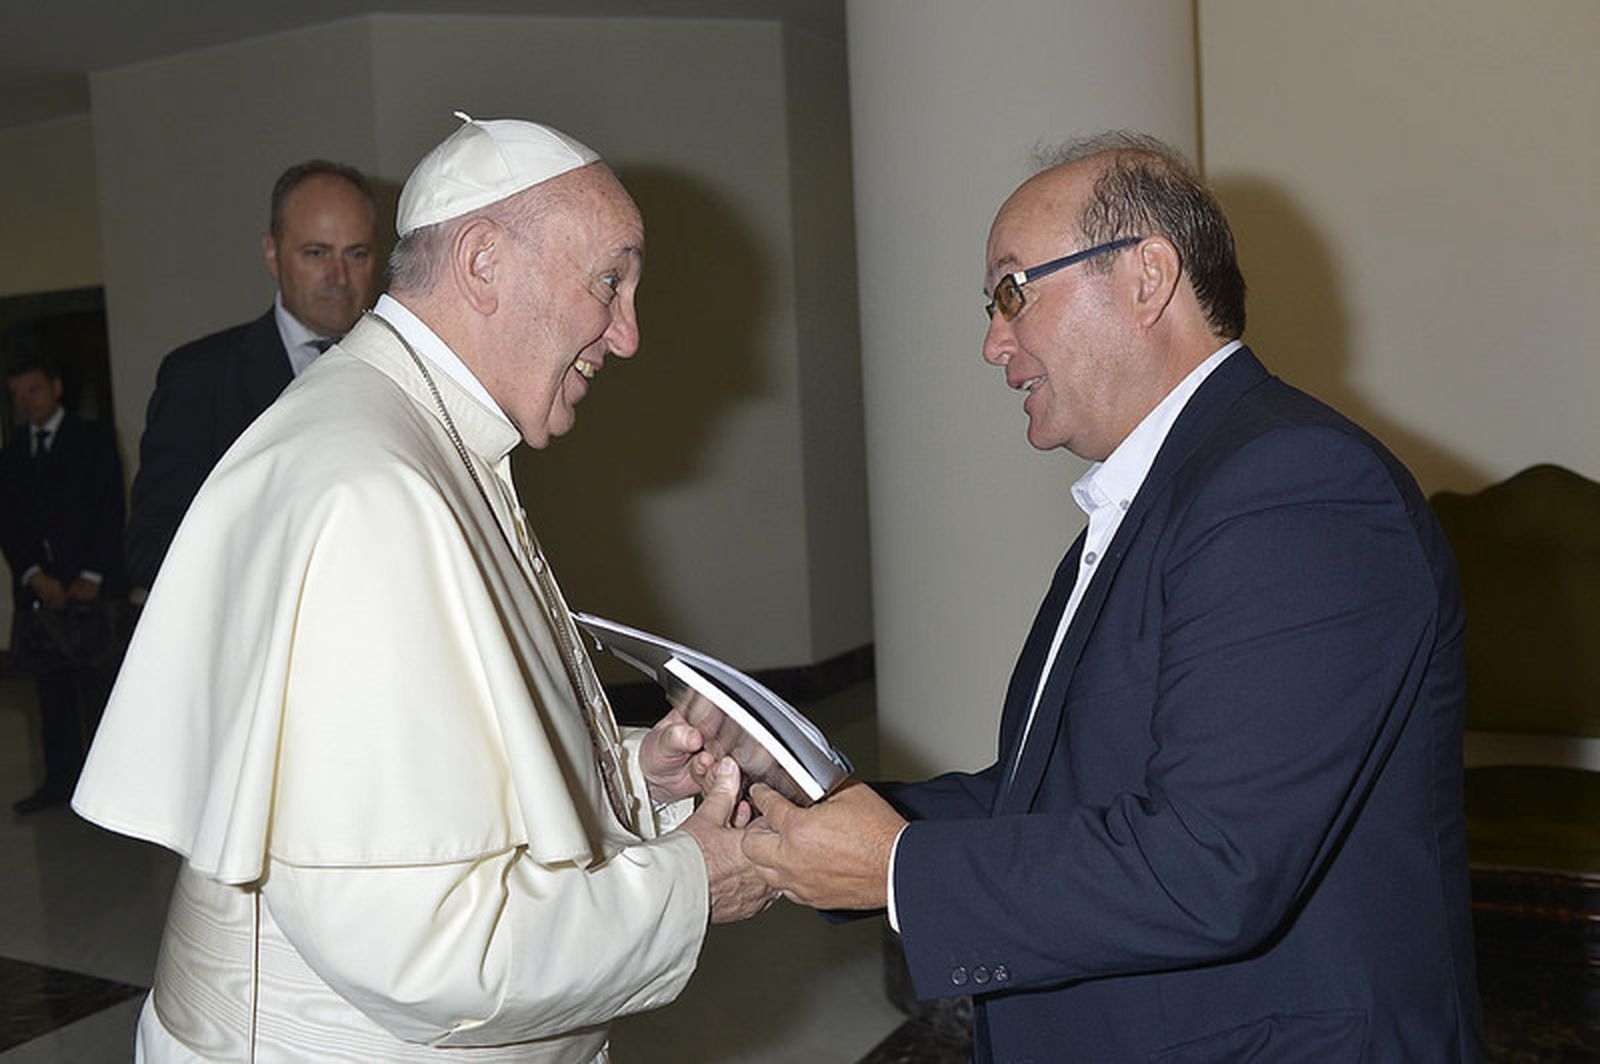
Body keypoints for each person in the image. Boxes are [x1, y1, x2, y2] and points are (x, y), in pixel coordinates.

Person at [743, 133, 1483, 1061]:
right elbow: (1065, 798)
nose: (991, 341)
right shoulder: (1188, 483)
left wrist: (895, 868)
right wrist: (820, 803)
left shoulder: (1297, 487)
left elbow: (1214, 867)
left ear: (1147, 278)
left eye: (1014, 290)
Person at [74, 115, 772, 1061]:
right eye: (609, 281)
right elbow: (432, 953)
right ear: (483, 261)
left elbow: (456, 778)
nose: (629, 333)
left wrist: (630, 781)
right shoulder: (369, 487)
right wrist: (696, 884)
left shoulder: (418, 433)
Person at [123, 159, 378, 589]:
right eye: (316, 253)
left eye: (357, 254)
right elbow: (152, 553)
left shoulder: (404, 375)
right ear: (272, 254)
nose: (339, 277)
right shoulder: (198, 380)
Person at [1, 349, 127, 813]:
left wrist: (92, 575)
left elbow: (110, 507)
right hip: (41, 591)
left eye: (34, 390)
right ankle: (59, 783)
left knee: (97, 691)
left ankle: (106, 790)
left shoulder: (91, 438)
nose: (27, 402)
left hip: (91, 587)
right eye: (18, 395)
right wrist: (34, 574)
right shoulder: (12, 452)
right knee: (49, 694)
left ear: (55, 388)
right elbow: (10, 524)